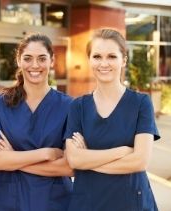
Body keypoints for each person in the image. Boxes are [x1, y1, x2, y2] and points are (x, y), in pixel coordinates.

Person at [64, 28, 160, 211]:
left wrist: (89, 161)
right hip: (88, 202)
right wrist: (122, 151)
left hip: (131, 202)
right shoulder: (78, 106)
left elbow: (139, 161)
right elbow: (74, 160)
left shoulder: (141, 103)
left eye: (111, 56)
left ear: (123, 60)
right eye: (97, 56)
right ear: (89, 60)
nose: (104, 63)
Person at [0, 33, 73, 211]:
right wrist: (46, 153)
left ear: (52, 61)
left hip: (55, 203)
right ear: (18, 60)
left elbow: (69, 167)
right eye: (28, 58)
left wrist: (13, 158)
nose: (35, 65)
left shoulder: (70, 107)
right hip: (9, 202)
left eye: (42, 58)